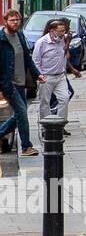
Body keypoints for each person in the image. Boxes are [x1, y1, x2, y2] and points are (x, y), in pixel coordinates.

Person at [0, 9, 42, 157]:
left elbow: (27, 58)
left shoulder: (20, 35)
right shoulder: (1, 39)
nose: (16, 22)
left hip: (21, 82)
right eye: (12, 20)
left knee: (18, 115)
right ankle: (26, 147)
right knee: (22, 113)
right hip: (8, 84)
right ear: (5, 22)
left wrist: (37, 75)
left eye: (17, 20)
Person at [33, 16, 81, 136]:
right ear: (52, 31)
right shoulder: (42, 43)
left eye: (64, 31)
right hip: (46, 76)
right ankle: (46, 128)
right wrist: (40, 75)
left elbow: (66, 55)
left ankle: (59, 125)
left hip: (60, 76)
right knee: (45, 102)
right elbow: (36, 61)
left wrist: (68, 41)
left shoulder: (63, 39)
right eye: (60, 31)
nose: (63, 33)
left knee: (64, 99)